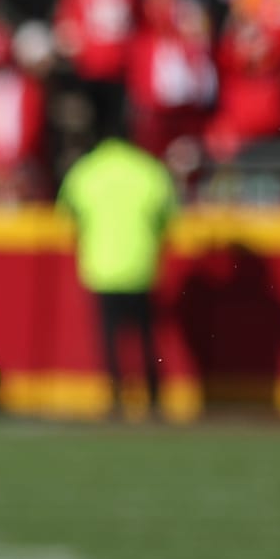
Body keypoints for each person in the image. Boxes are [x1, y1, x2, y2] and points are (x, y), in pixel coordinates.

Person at [56, 122, 178, 418]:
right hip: (141, 266)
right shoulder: (149, 169)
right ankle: (153, 399)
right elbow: (169, 216)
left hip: (102, 267)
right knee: (146, 335)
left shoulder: (87, 170)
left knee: (109, 337)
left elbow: (66, 213)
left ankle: (116, 398)